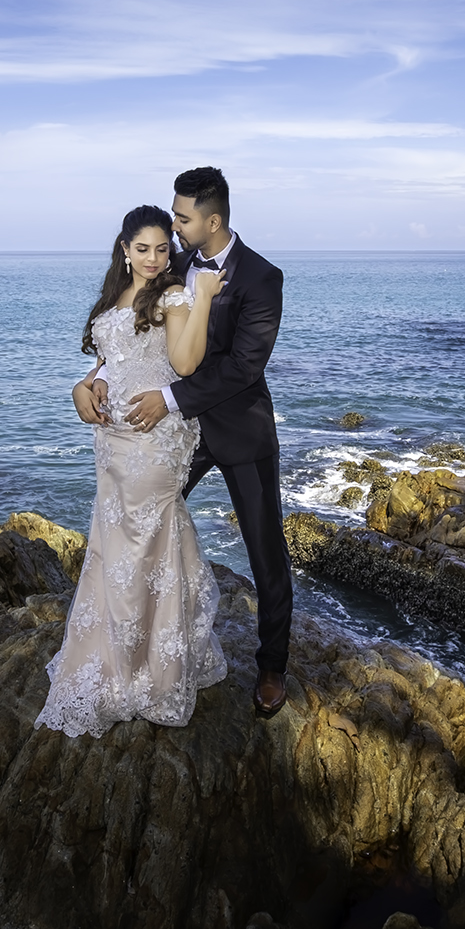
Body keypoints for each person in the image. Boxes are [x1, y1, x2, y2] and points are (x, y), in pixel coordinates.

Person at [80, 167, 293, 718]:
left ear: (212, 219)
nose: (172, 229)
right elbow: (133, 330)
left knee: (265, 548)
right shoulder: (170, 264)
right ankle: (141, 642)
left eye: (181, 219)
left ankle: (273, 665)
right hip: (175, 434)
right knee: (145, 526)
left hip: (236, 429)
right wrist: (92, 379)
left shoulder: (263, 278)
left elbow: (245, 367)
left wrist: (170, 400)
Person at [38, 203, 228, 738]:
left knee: (146, 541)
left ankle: (151, 671)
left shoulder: (173, 295)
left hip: (153, 439)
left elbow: (186, 364)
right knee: (115, 543)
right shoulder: (112, 298)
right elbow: (108, 363)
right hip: (112, 442)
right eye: (142, 249)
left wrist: (205, 300)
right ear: (124, 249)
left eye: (162, 249)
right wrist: (83, 386)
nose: (152, 258)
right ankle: (124, 655)